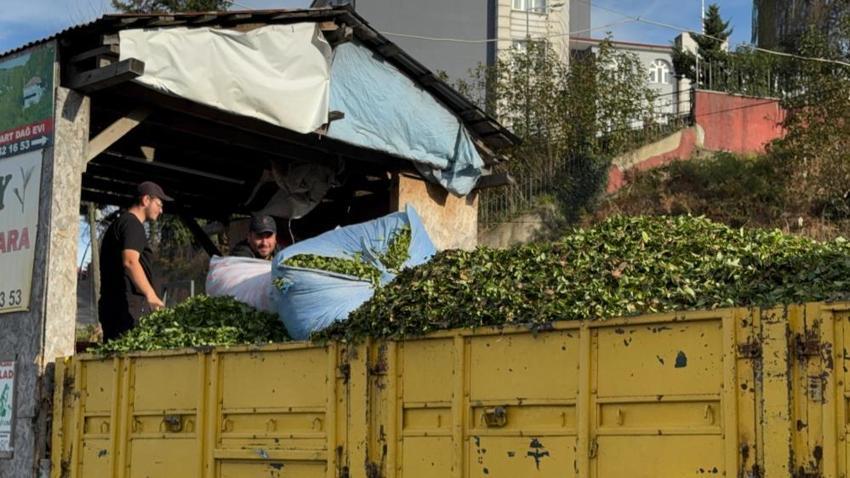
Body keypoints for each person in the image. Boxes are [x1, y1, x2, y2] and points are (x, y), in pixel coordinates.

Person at [98, 181, 172, 341]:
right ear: (146, 200)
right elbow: (130, 261)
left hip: (115, 307)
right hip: (126, 310)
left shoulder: (121, 224)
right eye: (158, 204)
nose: (161, 210)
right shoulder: (132, 224)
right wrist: (151, 295)